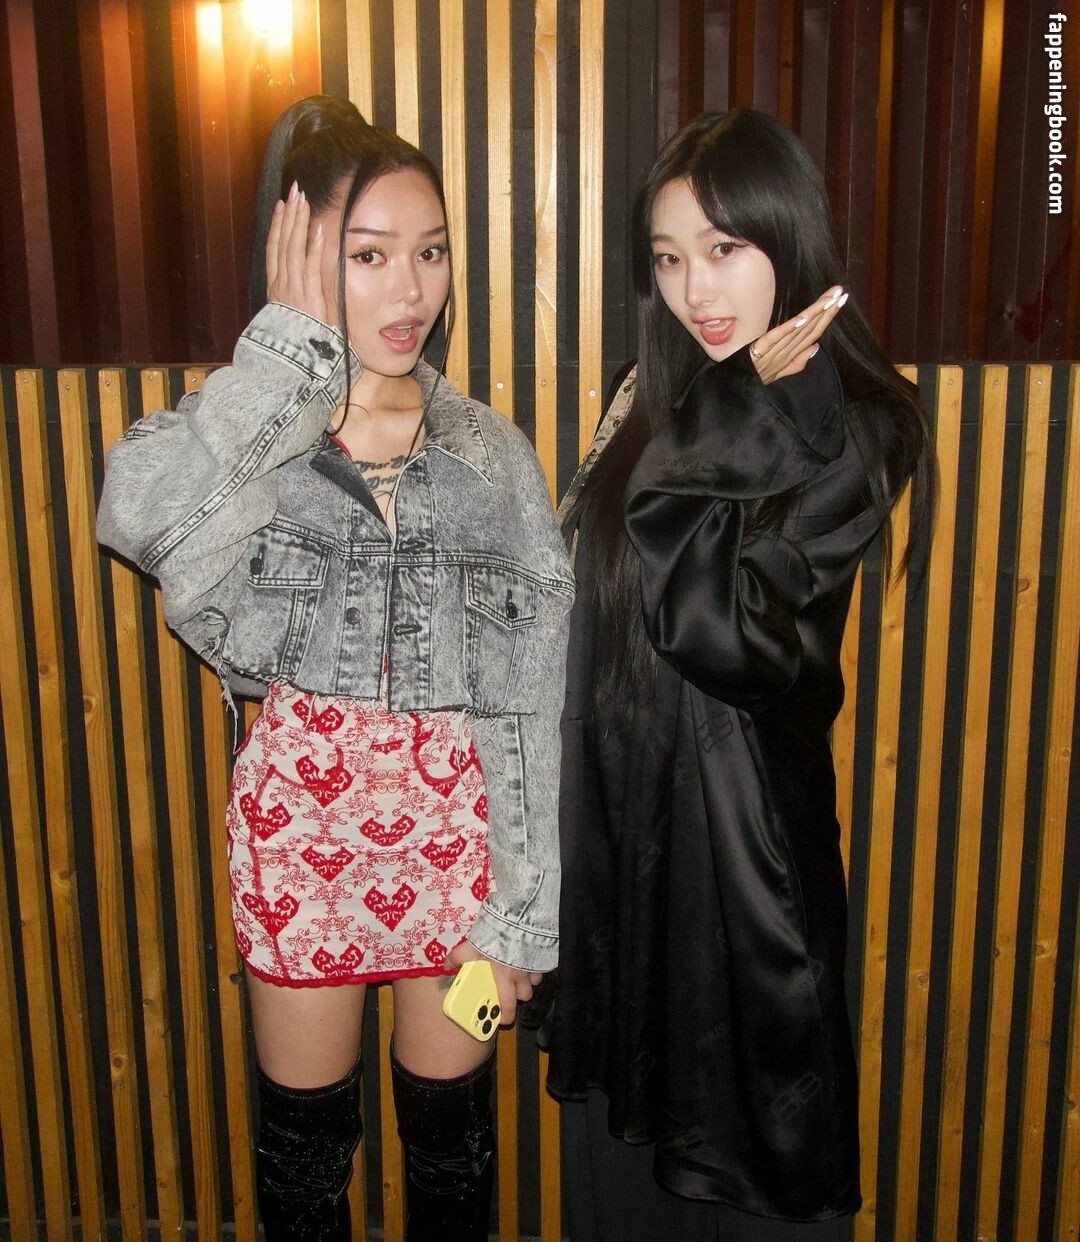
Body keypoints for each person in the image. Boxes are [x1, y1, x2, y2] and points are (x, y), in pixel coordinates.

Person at [98, 95, 573, 1241]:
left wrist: (522, 912)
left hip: (456, 853)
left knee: (452, 1161)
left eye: (430, 253)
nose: (410, 290)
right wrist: (283, 364)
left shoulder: (491, 454)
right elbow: (138, 519)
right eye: (369, 256)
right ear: (304, 256)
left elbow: (528, 702)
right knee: (305, 1170)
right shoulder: (255, 439)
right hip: (302, 848)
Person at [544, 109, 936, 1240]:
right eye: (668, 258)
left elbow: (727, 638)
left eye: (724, 248)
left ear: (788, 236)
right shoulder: (648, 391)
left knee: (749, 1179)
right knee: (624, 1182)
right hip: (624, 847)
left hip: (741, 861)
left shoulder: (859, 425)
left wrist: (723, 419)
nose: (695, 289)